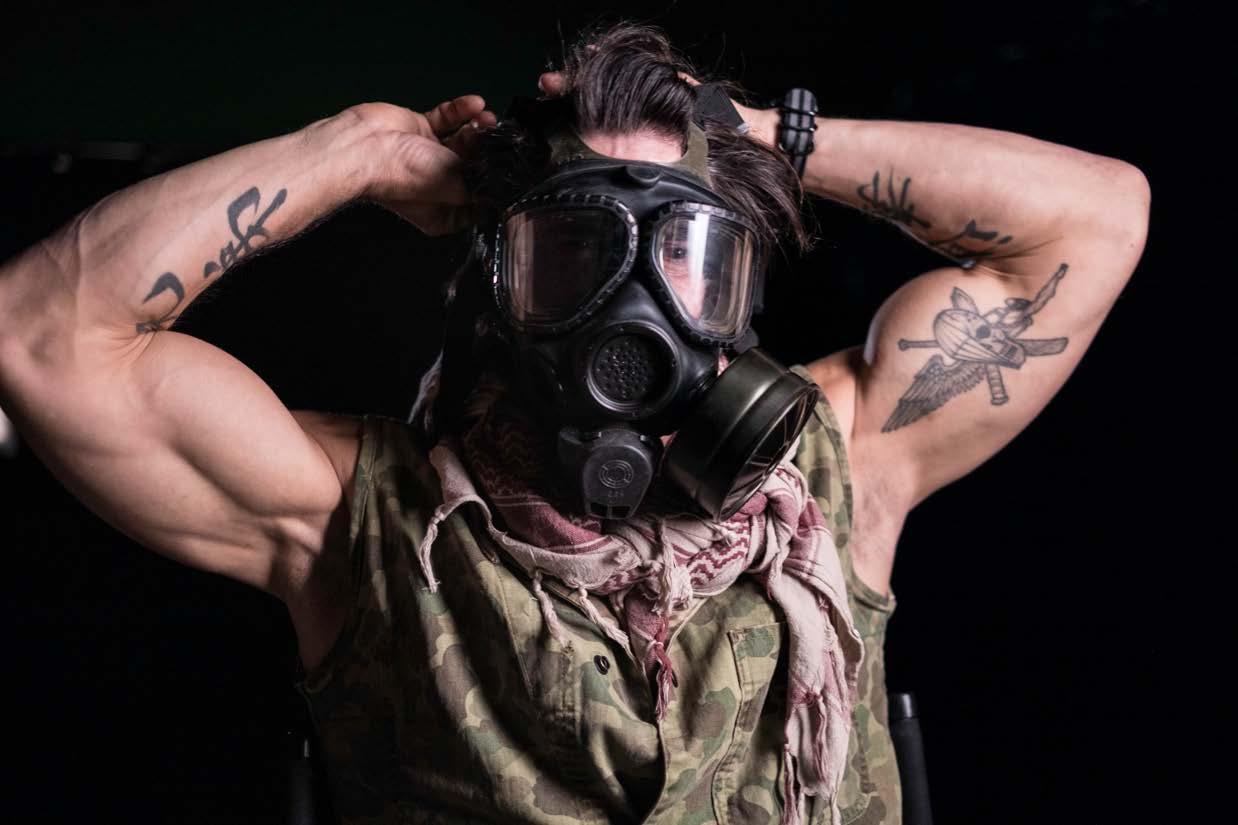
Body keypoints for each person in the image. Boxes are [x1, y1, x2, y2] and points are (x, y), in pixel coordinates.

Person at [0, 23, 1148, 825]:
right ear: (498, 282)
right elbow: (37, 335)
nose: (635, 307)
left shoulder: (842, 466)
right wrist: (355, 151)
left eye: (687, 252)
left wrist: (765, 137)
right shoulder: (358, 521)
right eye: (580, 249)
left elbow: (1096, 215)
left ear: (740, 291)